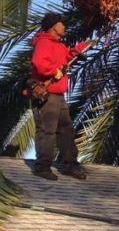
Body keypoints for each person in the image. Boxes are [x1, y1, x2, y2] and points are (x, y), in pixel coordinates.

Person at [29, 12, 89, 181]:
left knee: (66, 130)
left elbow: (65, 59)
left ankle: (70, 164)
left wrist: (78, 50)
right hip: (47, 95)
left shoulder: (59, 45)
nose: (65, 26)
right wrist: (52, 71)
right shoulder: (44, 43)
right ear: (53, 27)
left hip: (58, 95)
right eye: (62, 23)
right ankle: (42, 167)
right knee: (47, 131)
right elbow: (39, 63)